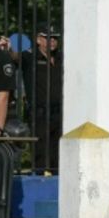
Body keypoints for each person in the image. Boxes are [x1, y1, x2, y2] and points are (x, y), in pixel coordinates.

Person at [22, 27, 63, 170]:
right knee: (41, 155)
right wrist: (10, 45)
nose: (52, 41)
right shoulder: (29, 58)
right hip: (39, 115)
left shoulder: (61, 57)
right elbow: (14, 56)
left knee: (59, 154)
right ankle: (41, 181)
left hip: (60, 113)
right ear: (38, 39)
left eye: (55, 38)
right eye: (48, 37)